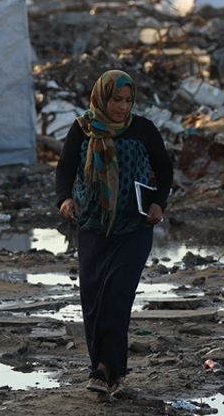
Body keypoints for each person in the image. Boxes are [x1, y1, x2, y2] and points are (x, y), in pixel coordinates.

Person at [55, 69, 173, 396]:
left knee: (117, 293)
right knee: (93, 297)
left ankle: (105, 370)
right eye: (116, 100)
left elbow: (164, 169)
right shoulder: (82, 129)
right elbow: (65, 168)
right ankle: (104, 367)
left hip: (134, 227)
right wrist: (64, 199)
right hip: (93, 225)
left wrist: (158, 204)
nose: (122, 107)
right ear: (101, 98)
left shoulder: (143, 129)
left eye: (128, 100)